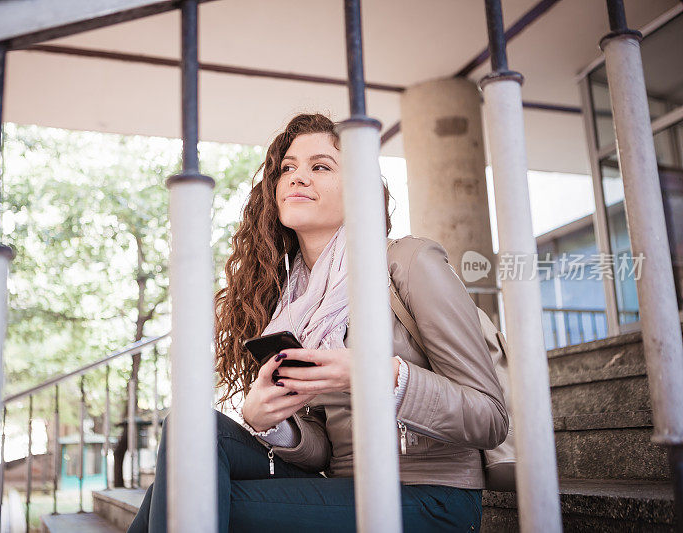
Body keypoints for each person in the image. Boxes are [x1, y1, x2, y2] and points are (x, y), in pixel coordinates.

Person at [127, 112, 508, 532]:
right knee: (188, 428)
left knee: (191, 498)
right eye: (287, 167)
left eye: (320, 166)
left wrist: (378, 374)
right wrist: (271, 425)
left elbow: (489, 417)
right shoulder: (292, 301)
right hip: (341, 488)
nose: (297, 177)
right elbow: (323, 451)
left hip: (431, 494)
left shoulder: (409, 262)